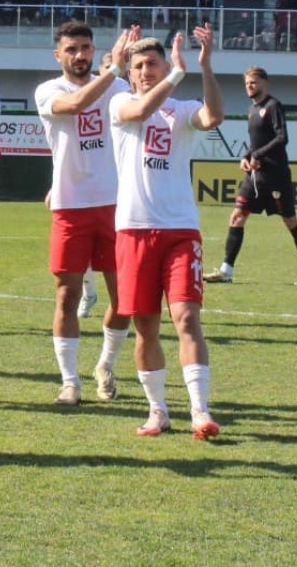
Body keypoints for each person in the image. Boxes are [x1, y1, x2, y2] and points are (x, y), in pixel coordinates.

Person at [111, 27, 224, 439]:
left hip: (180, 229)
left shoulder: (182, 108)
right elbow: (140, 113)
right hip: (133, 230)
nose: (144, 71)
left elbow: (213, 117)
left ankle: (200, 411)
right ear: (129, 71)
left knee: (187, 318)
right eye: (138, 65)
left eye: (152, 64)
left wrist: (205, 67)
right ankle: (158, 410)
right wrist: (175, 74)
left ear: (163, 65)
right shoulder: (120, 102)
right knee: (145, 326)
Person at [34, 22, 138, 406]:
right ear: (58, 54)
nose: (80, 55)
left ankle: (105, 365)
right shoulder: (49, 90)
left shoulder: (117, 87)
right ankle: (69, 380)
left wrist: (131, 69)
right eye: (72, 49)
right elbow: (75, 105)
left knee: (124, 298)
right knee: (67, 295)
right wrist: (113, 70)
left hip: (117, 207)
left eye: (86, 47)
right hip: (70, 207)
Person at [208, 68, 297, 286]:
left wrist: (257, 155)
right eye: (247, 83)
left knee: (290, 221)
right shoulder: (252, 109)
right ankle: (226, 269)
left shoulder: (273, 107)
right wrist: (247, 156)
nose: (249, 86)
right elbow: (256, 144)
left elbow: (282, 138)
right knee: (237, 217)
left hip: (276, 177)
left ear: (265, 82)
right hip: (255, 177)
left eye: (254, 82)